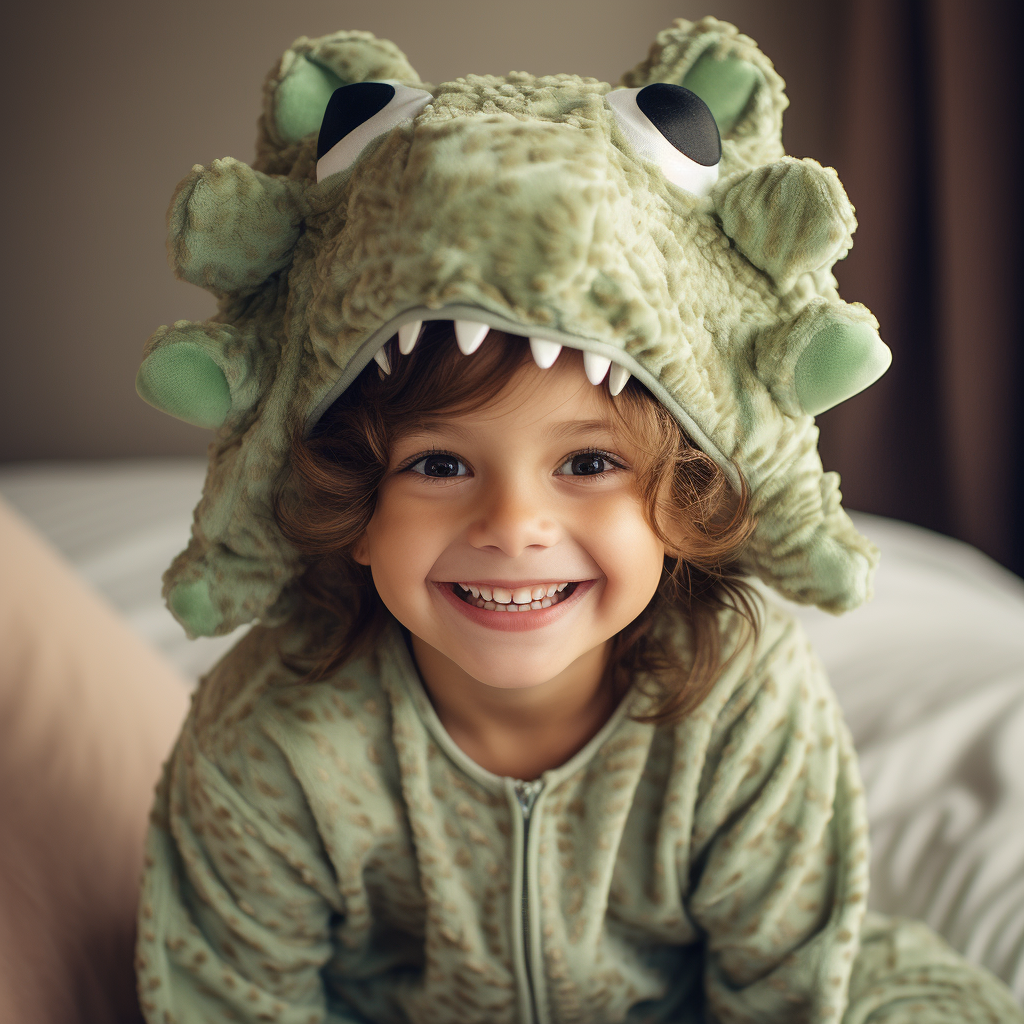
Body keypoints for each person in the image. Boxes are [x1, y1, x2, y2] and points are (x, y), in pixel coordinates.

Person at [132, 19, 1023, 1023]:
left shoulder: (742, 702)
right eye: (438, 463)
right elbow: (233, 998)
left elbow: (783, 988)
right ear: (355, 507)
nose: (514, 523)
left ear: (681, 498)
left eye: (589, 462)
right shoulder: (272, 739)